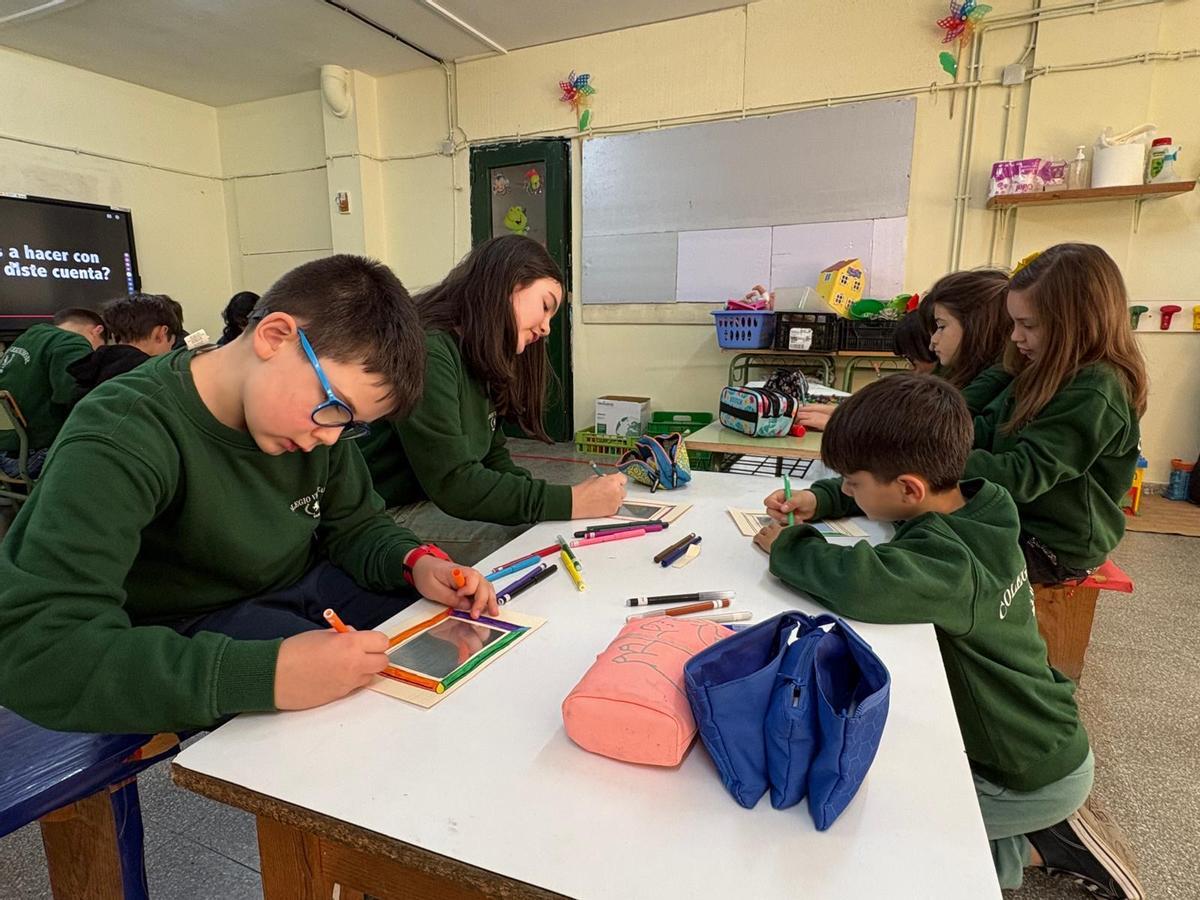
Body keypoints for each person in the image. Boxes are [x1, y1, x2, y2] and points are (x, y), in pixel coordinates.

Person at [0, 254, 496, 734]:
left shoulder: (318, 428)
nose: (329, 437)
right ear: (275, 336)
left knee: (458, 649)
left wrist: (415, 563)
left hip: (305, 590)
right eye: (335, 407)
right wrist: (266, 676)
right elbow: (36, 650)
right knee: (366, 726)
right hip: (194, 627)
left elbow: (357, 525)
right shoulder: (123, 433)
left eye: (352, 425)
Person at [756, 374, 1143, 900]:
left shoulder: (946, 564)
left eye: (851, 481)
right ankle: (1024, 835)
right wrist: (824, 500)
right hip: (1042, 735)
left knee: (867, 833)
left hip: (1023, 772)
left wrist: (789, 545)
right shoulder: (986, 504)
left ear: (910, 489)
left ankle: (1045, 844)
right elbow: (891, 502)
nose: (846, 488)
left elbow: (863, 584)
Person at [358, 235, 627, 564]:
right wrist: (570, 500)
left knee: (548, 526)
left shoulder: (479, 352)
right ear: (509, 285)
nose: (546, 329)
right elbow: (456, 484)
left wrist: (559, 503)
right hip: (384, 520)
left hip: (432, 500)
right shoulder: (431, 351)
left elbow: (493, 455)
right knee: (532, 546)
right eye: (544, 307)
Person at [965, 244, 1147, 584]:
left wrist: (931, 459)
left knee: (931, 550)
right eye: (1013, 323)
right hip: (1018, 517)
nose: (1015, 336)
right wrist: (926, 439)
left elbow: (1023, 474)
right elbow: (989, 427)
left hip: (1054, 545)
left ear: (1077, 322)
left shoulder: (1097, 387)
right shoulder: (1041, 368)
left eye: (1028, 325)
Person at [0, 307, 105, 479]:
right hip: (28, 459)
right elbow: (77, 400)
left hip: (6, 453)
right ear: (97, 331)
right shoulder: (72, 343)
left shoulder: (28, 337)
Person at [926, 269, 1014, 414]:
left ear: (976, 325)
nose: (933, 341)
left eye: (941, 326)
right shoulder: (967, 374)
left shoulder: (996, 381)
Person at [68, 293, 182, 398]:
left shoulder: (86, 374)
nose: (170, 351)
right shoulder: (156, 383)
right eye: (171, 343)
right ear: (161, 334)